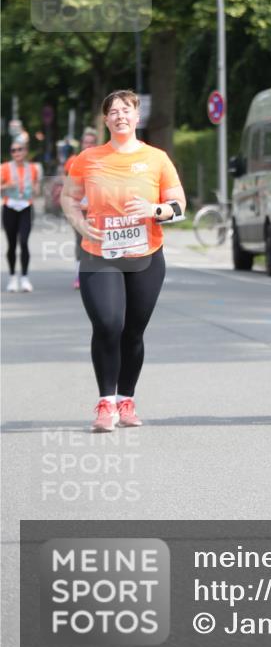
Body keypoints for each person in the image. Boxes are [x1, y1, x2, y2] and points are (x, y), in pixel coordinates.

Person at [61, 90, 186, 433]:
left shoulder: (156, 158)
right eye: (113, 111)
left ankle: (126, 399)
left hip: (145, 255)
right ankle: (105, 402)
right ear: (105, 120)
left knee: (133, 332)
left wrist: (154, 210)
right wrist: (78, 221)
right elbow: (68, 197)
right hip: (99, 254)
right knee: (108, 323)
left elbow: (178, 205)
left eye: (126, 110)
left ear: (136, 116)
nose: (120, 116)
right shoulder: (88, 158)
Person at [1, 138, 42, 292]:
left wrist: (36, 189)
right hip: (10, 207)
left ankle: (24, 278)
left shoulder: (33, 168)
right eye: (13, 150)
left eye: (19, 149)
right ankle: (12, 278)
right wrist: (7, 185)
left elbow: (37, 188)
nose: (16, 153)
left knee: (24, 242)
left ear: (25, 151)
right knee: (11, 244)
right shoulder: (4, 167)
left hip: (26, 207)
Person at [64, 126, 99, 289]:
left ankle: (96, 273)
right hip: (78, 208)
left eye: (92, 143)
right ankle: (79, 273)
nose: (88, 145)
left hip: (96, 209)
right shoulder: (73, 161)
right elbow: (67, 185)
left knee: (95, 240)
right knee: (80, 240)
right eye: (86, 142)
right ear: (82, 144)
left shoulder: (101, 161)